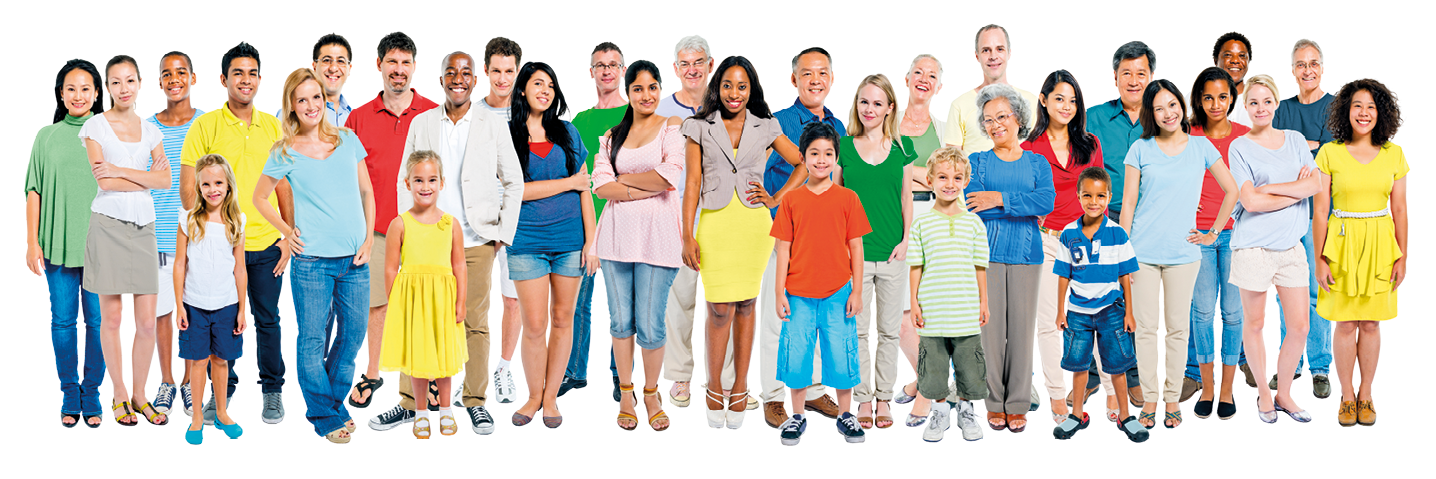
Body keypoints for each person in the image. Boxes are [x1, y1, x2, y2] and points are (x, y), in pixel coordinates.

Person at [390, 51, 523, 436]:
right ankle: (411, 403)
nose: (458, 78)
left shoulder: (492, 126)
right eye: (451, 72)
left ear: (474, 80)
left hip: (477, 239)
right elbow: (405, 179)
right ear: (442, 79)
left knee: (474, 324)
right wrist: (406, 233)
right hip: (425, 241)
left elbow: (513, 181)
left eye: (465, 72)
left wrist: (501, 234)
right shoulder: (423, 122)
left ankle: (476, 402)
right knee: (417, 321)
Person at [253, 68, 376, 443]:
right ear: (291, 106)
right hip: (312, 264)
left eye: (316, 98)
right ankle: (324, 414)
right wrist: (288, 233)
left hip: (355, 259)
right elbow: (260, 197)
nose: (310, 105)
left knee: (353, 337)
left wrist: (369, 238)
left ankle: (332, 404)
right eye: (301, 99)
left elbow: (367, 194)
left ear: (326, 101)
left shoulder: (349, 139)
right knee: (311, 339)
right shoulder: (284, 150)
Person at [681, 56, 804, 429]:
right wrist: (687, 234)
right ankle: (714, 383)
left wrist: (777, 197)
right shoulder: (698, 126)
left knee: (748, 306)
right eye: (728, 85)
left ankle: (740, 385)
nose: (734, 93)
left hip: (753, 225)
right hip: (715, 224)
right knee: (719, 309)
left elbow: (803, 162)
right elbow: (691, 186)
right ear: (718, 87)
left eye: (742, 86)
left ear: (752, 90)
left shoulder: (766, 126)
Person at [179, 42, 289, 425]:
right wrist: (203, 232)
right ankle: (221, 393)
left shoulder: (273, 126)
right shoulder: (205, 125)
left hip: (263, 245)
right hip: (218, 249)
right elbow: (189, 187)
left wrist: (287, 237)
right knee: (219, 319)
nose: (246, 80)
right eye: (238, 73)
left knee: (267, 319)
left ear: (260, 79)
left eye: (252, 73)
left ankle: (272, 391)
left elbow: (285, 186)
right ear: (224, 79)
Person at [1120, 79, 1238, 429]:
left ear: (1182, 106)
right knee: (1144, 329)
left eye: (1172, 105)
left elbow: (1231, 191)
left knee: (1177, 330)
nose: (1167, 113)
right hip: (1141, 251)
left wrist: (1212, 232)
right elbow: (1128, 205)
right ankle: (1150, 400)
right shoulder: (1140, 149)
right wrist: (1122, 252)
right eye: (1159, 108)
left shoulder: (1201, 147)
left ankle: (1172, 399)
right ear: (1150, 114)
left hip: (1184, 254)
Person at [347, 33, 442, 428]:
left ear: (414, 66)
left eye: (405, 62)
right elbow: (352, 180)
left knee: (424, 306)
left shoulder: (433, 113)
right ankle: (373, 372)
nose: (398, 70)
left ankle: (426, 379)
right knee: (379, 306)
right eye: (392, 62)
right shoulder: (359, 118)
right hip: (380, 228)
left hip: (423, 228)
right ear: (379, 65)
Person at [592, 60, 685, 431]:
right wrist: (638, 186)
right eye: (638, 89)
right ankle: (626, 392)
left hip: (658, 240)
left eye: (652, 87)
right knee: (621, 321)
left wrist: (624, 184)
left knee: (650, 324)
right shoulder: (612, 136)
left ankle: (651, 392)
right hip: (615, 240)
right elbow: (600, 183)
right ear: (628, 94)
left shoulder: (670, 128)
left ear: (659, 90)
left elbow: (670, 176)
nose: (646, 95)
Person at [83, 55, 172, 427]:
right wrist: (141, 177)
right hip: (107, 225)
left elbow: (165, 181)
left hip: (144, 228)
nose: (123, 88)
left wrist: (120, 169)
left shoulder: (151, 130)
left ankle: (140, 394)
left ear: (139, 84)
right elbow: (104, 183)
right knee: (114, 317)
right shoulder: (95, 127)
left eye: (130, 80)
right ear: (108, 87)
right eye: (116, 82)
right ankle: (119, 392)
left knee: (147, 322)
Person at [505, 62, 595, 429]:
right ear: (523, 89)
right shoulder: (507, 135)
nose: (545, 90)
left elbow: (585, 188)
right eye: (537, 83)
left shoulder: (568, 133)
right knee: (535, 324)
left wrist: (592, 241)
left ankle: (551, 397)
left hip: (570, 242)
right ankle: (532, 395)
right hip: (526, 242)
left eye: (551, 85)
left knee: (563, 319)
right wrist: (567, 183)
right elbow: (515, 192)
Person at [759, 47, 844, 427]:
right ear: (794, 79)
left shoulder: (840, 126)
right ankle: (773, 396)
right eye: (807, 74)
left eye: (822, 73)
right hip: (785, 235)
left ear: (831, 79)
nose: (815, 80)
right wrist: (773, 205)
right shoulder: (776, 122)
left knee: (818, 318)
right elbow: (754, 168)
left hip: (825, 240)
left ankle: (810, 392)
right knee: (779, 316)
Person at [1313, 79, 1406, 427]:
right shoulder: (1329, 153)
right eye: (1356, 106)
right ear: (1345, 111)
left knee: (1370, 322)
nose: (1364, 113)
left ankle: (1367, 393)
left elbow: (1400, 209)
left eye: (1370, 106)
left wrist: (1403, 255)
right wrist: (1319, 258)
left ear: (1380, 112)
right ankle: (1347, 394)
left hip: (1381, 243)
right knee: (1345, 322)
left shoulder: (1393, 154)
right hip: (1341, 243)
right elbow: (1320, 210)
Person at [963, 83, 1054, 433]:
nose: (996, 124)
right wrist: (1020, 204)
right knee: (989, 331)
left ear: (1018, 118)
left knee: (1021, 330)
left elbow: (1045, 202)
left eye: (1002, 116)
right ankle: (993, 400)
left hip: (1027, 256)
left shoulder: (1037, 162)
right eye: (988, 119)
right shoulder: (978, 162)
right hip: (985, 257)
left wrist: (999, 199)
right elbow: (975, 206)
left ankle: (1016, 402)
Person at [1227, 75, 1319, 424]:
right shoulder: (1240, 147)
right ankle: (1264, 394)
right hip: (1253, 248)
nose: (1261, 108)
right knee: (1255, 324)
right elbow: (1249, 201)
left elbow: (1314, 184)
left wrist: (1274, 189)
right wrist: (1294, 188)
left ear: (1276, 104)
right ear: (1246, 107)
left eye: (1267, 101)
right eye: (1253, 103)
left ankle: (1284, 393)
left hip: (1291, 248)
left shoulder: (1295, 140)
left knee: (1299, 327)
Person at [772, 122, 870, 445]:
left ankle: (846, 414)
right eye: (814, 153)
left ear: (836, 158)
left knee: (842, 354)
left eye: (828, 153)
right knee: (797, 355)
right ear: (803, 157)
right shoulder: (790, 201)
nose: (821, 159)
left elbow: (856, 247)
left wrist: (856, 290)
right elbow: (782, 249)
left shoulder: (848, 198)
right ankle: (796, 416)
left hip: (838, 293)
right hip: (798, 294)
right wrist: (778, 292)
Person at [1022, 70, 1107, 424]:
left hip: (1084, 241)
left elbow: (1099, 195)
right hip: (1044, 240)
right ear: (1043, 100)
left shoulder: (1090, 143)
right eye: (1059, 98)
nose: (1066, 106)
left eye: (1073, 100)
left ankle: (1114, 396)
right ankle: (1058, 395)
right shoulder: (1028, 148)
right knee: (1048, 322)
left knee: (1099, 316)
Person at [656, 35, 736, 409]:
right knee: (680, 298)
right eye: (684, 63)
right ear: (676, 68)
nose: (692, 69)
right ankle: (681, 376)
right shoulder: (661, 109)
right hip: (677, 211)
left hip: (721, 211)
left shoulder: (728, 103)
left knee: (726, 298)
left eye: (698, 62)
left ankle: (728, 379)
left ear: (709, 64)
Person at [28, 59, 106, 428]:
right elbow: (34, 190)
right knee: (63, 322)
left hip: (102, 247)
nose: (78, 95)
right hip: (57, 243)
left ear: (96, 93)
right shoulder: (47, 136)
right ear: (61, 93)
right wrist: (31, 242)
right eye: (71, 89)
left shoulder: (109, 133)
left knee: (99, 323)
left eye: (86, 88)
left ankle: (91, 393)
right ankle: (69, 391)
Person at [835, 74, 915, 429]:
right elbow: (835, 200)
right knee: (857, 332)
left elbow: (906, 197)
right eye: (864, 102)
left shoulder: (902, 148)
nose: (869, 109)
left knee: (889, 331)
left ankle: (885, 398)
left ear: (889, 108)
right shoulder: (843, 146)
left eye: (877, 103)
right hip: (855, 257)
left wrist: (905, 239)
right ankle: (863, 399)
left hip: (893, 255)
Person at [1051, 167, 1147, 443]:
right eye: (1088, 196)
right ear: (1078, 196)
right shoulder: (1069, 233)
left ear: (1109, 197)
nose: (1094, 202)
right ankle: (1077, 415)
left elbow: (1125, 276)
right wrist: (1061, 310)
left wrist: (1129, 312)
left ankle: (1125, 416)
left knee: (1117, 366)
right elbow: (1063, 275)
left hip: (1111, 310)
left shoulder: (1117, 234)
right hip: (1078, 312)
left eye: (1101, 196)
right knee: (1079, 366)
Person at [378, 151, 469, 439]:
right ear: (407, 183)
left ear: (442, 183)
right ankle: (420, 413)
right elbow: (391, 269)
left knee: (443, 359)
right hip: (413, 304)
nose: (425, 186)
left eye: (431, 180)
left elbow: (459, 265)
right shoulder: (400, 224)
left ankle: (445, 410)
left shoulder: (451, 224)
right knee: (418, 360)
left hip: (442, 301)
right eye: (418, 180)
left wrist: (461, 301)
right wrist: (398, 305)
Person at [1086, 41, 1155, 406]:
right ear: (1115, 77)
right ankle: (1094, 376)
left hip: (1149, 222)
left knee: (1136, 301)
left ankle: (1133, 375)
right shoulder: (1095, 117)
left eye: (1140, 73)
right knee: (1096, 299)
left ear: (1151, 77)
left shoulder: (1163, 116)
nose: (1133, 80)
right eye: (1126, 73)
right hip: (1103, 218)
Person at [1180, 67, 1251, 417]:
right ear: (1199, 99)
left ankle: (1227, 390)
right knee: (1203, 313)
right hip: (1198, 237)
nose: (1215, 104)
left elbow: (1258, 183)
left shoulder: (1245, 136)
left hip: (1236, 236)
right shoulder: (1187, 134)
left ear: (1232, 98)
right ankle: (1206, 388)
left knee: (1234, 313)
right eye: (1208, 97)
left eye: (1222, 96)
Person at [907, 146, 989, 443]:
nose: (949, 183)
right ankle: (939, 411)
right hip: (933, 312)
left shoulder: (974, 224)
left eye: (956, 177)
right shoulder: (921, 223)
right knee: (934, 367)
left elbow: (980, 267)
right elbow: (916, 266)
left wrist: (984, 302)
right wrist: (914, 302)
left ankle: (966, 411)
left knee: (969, 366)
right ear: (929, 180)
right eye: (942, 177)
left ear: (965, 181)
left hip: (965, 312)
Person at [563, 42, 628, 401]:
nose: (606, 71)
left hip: (622, 225)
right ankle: (574, 371)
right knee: (576, 305)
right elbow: (574, 176)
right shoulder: (579, 122)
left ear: (622, 70)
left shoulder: (634, 116)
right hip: (584, 228)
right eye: (600, 65)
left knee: (621, 308)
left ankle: (622, 374)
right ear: (591, 72)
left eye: (613, 64)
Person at [1270, 39, 1334, 398]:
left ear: (1321, 67)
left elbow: (1328, 156)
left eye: (1313, 63)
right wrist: (1307, 149)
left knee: (1317, 290)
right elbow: (1276, 154)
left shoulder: (1336, 107)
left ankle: (1320, 366)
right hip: (1286, 215)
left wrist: (1304, 149)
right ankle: (1290, 364)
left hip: (1320, 215)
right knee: (1286, 293)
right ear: (1292, 70)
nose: (1307, 70)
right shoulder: (1282, 110)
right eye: (1300, 64)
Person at [175, 154, 247, 444]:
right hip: (194, 305)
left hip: (226, 304)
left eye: (218, 182)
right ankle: (195, 418)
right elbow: (180, 263)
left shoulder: (237, 221)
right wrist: (179, 304)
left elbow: (239, 268)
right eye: (206, 184)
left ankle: (221, 412)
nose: (212, 189)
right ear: (198, 186)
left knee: (221, 361)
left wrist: (243, 308)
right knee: (197, 361)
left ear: (228, 185)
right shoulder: (189, 219)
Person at [893, 54, 947, 426]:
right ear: (907, 78)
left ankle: (927, 388)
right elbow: (878, 175)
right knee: (900, 314)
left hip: (935, 221)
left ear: (938, 87)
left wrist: (913, 179)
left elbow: (950, 179)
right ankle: (931, 381)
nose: (924, 80)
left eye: (932, 76)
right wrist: (919, 178)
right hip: (895, 223)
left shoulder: (943, 129)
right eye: (918, 73)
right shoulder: (886, 123)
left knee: (930, 310)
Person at [149, 51, 202, 417]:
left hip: (196, 239)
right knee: (162, 312)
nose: (174, 79)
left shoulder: (206, 124)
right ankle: (167, 380)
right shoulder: (147, 127)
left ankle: (187, 382)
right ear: (160, 82)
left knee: (194, 313)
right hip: (156, 238)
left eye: (181, 72)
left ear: (193, 78)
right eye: (167, 74)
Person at [479, 37, 525, 403]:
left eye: (510, 71)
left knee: (513, 301)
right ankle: (465, 372)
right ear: (486, 71)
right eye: (497, 70)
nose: (503, 78)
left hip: (515, 224)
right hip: (477, 223)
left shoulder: (527, 116)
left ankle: (504, 370)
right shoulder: (473, 114)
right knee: (467, 301)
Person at [943, 25, 1038, 157]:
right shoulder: (959, 105)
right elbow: (953, 165)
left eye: (1000, 49)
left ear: (1009, 53)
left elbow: (1039, 156)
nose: (993, 56)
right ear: (977, 56)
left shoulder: (1031, 102)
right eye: (986, 50)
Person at [273, 34, 354, 126]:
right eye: (326, 60)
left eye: (341, 61)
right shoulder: (289, 115)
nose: (333, 68)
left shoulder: (353, 116)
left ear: (349, 69)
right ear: (314, 66)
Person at [1213, 32, 1253, 126]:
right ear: (1216, 60)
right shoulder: (1197, 97)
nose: (1235, 60)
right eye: (1228, 55)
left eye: (1242, 56)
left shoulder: (1260, 101)